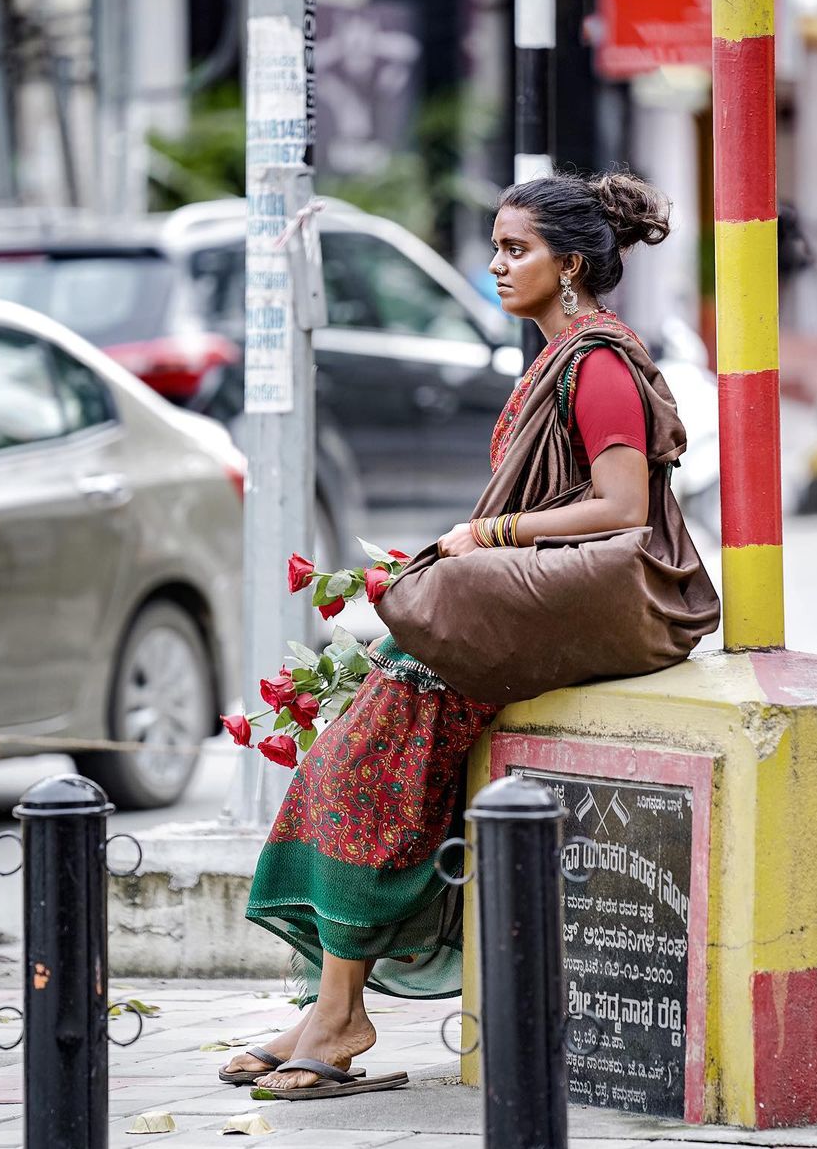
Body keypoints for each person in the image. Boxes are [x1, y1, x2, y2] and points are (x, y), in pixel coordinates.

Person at [219, 169, 712, 1099]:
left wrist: (484, 536)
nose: (495, 264)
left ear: (570, 265)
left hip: (589, 604)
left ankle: (338, 1015)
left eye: (515, 249)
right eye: (495, 245)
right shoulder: (555, 356)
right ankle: (325, 1009)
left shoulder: (600, 362)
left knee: (374, 757)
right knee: (353, 756)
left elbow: (623, 508)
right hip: (535, 598)